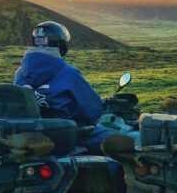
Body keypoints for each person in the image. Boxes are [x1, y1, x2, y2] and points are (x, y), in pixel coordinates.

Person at [14, 21, 108, 151]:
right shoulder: (69, 73)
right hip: (65, 136)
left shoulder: (20, 73)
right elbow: (92, 113)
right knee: (114, 139)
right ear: (62, 44)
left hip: (30, 137)